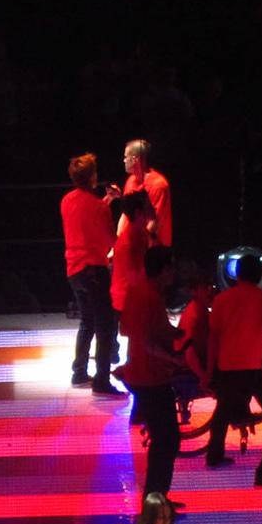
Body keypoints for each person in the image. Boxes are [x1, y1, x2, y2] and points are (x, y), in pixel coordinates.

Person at [204, 253, 262, 485]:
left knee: (222, 412)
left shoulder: (221, 300)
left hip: (228, 366)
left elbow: (214, 337)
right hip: (256, 367)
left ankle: (214, 456)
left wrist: (208, 371)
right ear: (259, 274)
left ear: (236, 274)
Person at [118, 244, 183, 498]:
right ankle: (155, 501)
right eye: (172, 267)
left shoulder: (138, 291)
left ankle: (156, 498)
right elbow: (146, 340)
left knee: (163, 440)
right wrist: (173, 357)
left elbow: (126, 329)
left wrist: (172, 333)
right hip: (151, 377)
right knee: (167, 441)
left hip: (140, 373)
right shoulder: (150, 296)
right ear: (166, 269)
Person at [61, 152, 122, 395]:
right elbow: (109, 240)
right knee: (105, 325)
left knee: (87, 321)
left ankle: (79, 372)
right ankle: (102, 381)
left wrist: (107, 200)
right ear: (93, 177)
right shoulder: (98, 208)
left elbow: (86, 218)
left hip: (74, 269)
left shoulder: (67, 200)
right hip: (94, 269)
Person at [111, 138, 171, 314]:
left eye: (125, 157)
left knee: (151, 300)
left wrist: (136, 246)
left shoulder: (159, 185)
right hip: (133, 248)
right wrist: (118, 244)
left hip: (152, 250)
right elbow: (125, 215)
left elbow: (155, 222)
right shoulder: (130, 181)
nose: (123, 160)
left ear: (135, 159)